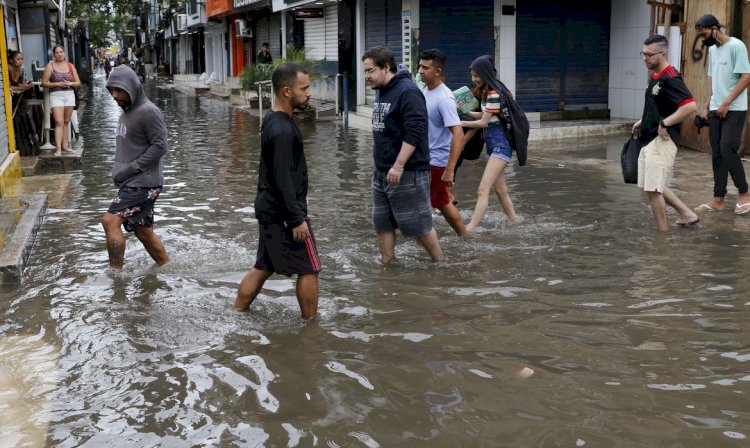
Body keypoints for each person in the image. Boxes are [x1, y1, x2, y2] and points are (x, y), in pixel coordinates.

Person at [233, 63, 321, 320]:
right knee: (310, 267)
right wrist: (296, 218)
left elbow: (281, 171)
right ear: (286, 91)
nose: (309, 93)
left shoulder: (273, 119)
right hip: (283, 213)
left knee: (264, 265)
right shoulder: (281, 129)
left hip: (270, 207)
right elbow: (282, 177)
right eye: (304, 88)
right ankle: (311, 327)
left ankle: (237, 313)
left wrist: (300, 192)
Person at [362, 46, 444, 264]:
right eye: (365, 71)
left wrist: (398, 165)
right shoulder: (381, 89)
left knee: (419, 225)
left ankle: (441, 264)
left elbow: (416, 131)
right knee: (383, 223)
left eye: (370, 71)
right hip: (381, 172)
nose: (366, 76)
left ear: (386, 67)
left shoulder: (408, 91)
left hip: (408, 171)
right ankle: (387, 265)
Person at [101, 65, 170, 270]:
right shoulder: (128, 111)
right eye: (112, 90)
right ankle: (167, 268)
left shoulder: (148, 112)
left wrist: (131, 169)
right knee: (143, 231)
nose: (115, 95)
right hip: (133, 181)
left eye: (119, 90)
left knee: (110, 221)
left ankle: (115, 277)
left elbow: (160, 146)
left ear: (132, 87)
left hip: (142, 182)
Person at [631, 35, 699, 231]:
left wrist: (665, 123)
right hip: (649, 137)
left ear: (663, 54)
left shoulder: (671, 78)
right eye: (643, 54)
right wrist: (644, 120)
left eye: (649, 55)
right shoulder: (656, 76)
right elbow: (660, 105)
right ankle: (686, 214)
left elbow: (690, 106)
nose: (645, 58)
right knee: (650, 186)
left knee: (653, 189)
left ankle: (661, 237)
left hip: (662, 140)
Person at [692, 14, 750, 214]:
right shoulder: (713, 51)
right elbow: (715, 82)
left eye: (704, 33)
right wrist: (707, 107)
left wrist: (727, 102)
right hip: (717, 108)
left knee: (727, 150)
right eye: (700, 35)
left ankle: (744, 193)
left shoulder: (736, 46)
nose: (703, 38)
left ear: (715, 29)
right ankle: (718, 199)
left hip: (734, 109)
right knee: (716, 154)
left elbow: (746, 77)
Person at [460, 55, 518, 229]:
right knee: (500, 190)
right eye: (472, 75)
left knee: (482, 189)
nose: (474, 79)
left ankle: (470, 228)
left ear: (485, 74)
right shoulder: (491, 93)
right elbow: (485, 115)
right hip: (493, 146)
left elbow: (483, 123)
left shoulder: (493, 94)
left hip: (500, 145)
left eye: (477, 75)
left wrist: (459, 122)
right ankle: (515, 222)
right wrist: (464, 111)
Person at [417, 49, 467, 236]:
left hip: (436, 162)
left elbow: (458, 133)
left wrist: (450, 169)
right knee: (442, 202)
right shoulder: (425, 91)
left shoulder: (444, 98)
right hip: (426, 158)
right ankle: (464, 235)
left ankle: (428, 249)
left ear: (438, 71)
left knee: (419, 208)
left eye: (425, 67)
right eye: (420, 66)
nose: (420, 71)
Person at [41, 45, 80, 156]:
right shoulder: (50, 66)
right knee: (59, 122)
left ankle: (65, 147)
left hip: (69, 94)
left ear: (64, 53)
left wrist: (70, 83)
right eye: (57, 52)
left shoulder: (70, 66)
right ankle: (58, 149)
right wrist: (57, 84)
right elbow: (44, 83)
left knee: (66, 122)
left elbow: (78, 82)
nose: (59, 54)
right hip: (56, 95)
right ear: (54, 54)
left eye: (61, 52)